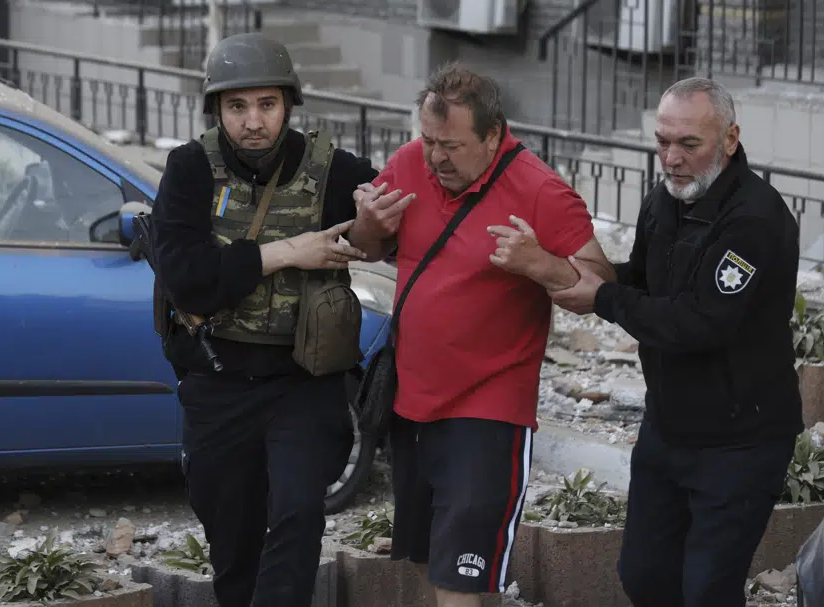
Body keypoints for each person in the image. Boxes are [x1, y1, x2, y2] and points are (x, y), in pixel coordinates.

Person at [347, 61, 614, 607]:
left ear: (493, 136)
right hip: (412, 400)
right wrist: (367, 227)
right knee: (431, 559)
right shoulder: (409, 163)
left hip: (489, 409)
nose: (435, 158)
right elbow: (367, 246)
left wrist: (541, 264)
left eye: (451, 145)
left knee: (462, 575)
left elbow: (602, 288)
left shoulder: (541, 190)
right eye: (429, 141)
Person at [547, 77, 803, 607]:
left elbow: (702, 322)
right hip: (668, 432)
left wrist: (604, 298)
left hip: (741, 442)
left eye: (689, 144)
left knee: (707, 590)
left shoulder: (755, 218)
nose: (671, 159)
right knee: (644, 577)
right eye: (662, 142)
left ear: (729, 139)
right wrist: (577, 275)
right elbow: (643, 280)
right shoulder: (664, 200)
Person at [151, 32, 380, 607]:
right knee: (233, 541)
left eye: (267, 104)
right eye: (237, 106)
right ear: (217, 109)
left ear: (288, 105)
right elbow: (187, 277)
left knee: (298, 514)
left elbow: (388, 226)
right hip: (219, 380)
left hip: (303, 383)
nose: (253, 122)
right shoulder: (190, 169)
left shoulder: (333, 171)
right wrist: (289, 252)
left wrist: (376, 222)